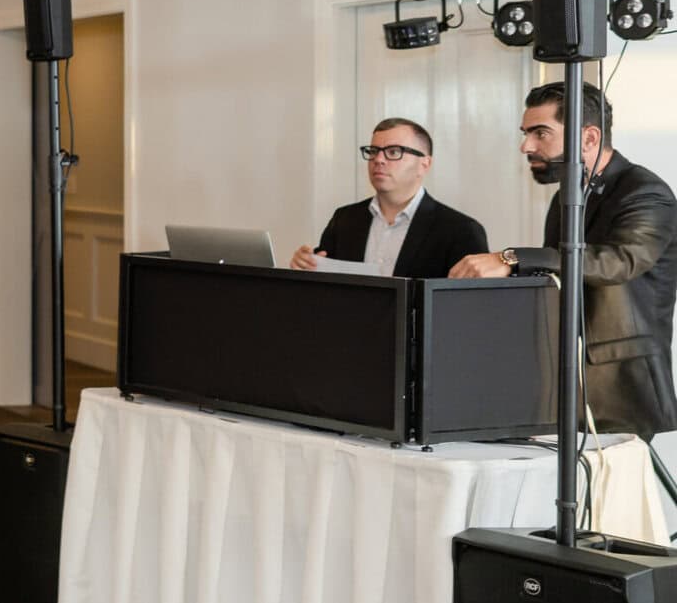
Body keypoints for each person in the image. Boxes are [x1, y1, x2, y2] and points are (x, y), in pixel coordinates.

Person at [451, 81, 677, 438]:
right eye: (526, 133)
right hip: (562, 382)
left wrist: (511, 258)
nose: (526, 146)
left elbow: (618, 262)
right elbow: (557, 273)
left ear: (589, 137)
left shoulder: (646, 191)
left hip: (624, 392)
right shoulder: (566, 195)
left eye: (540, 133)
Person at [289, 117, 487, 279]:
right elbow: (325, 290)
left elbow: (471, 305)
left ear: (424, 164)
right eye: (373, 151)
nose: (379, 160)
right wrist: (305, 266)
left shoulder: (460, 230)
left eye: (393, 152)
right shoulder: (344, 219)